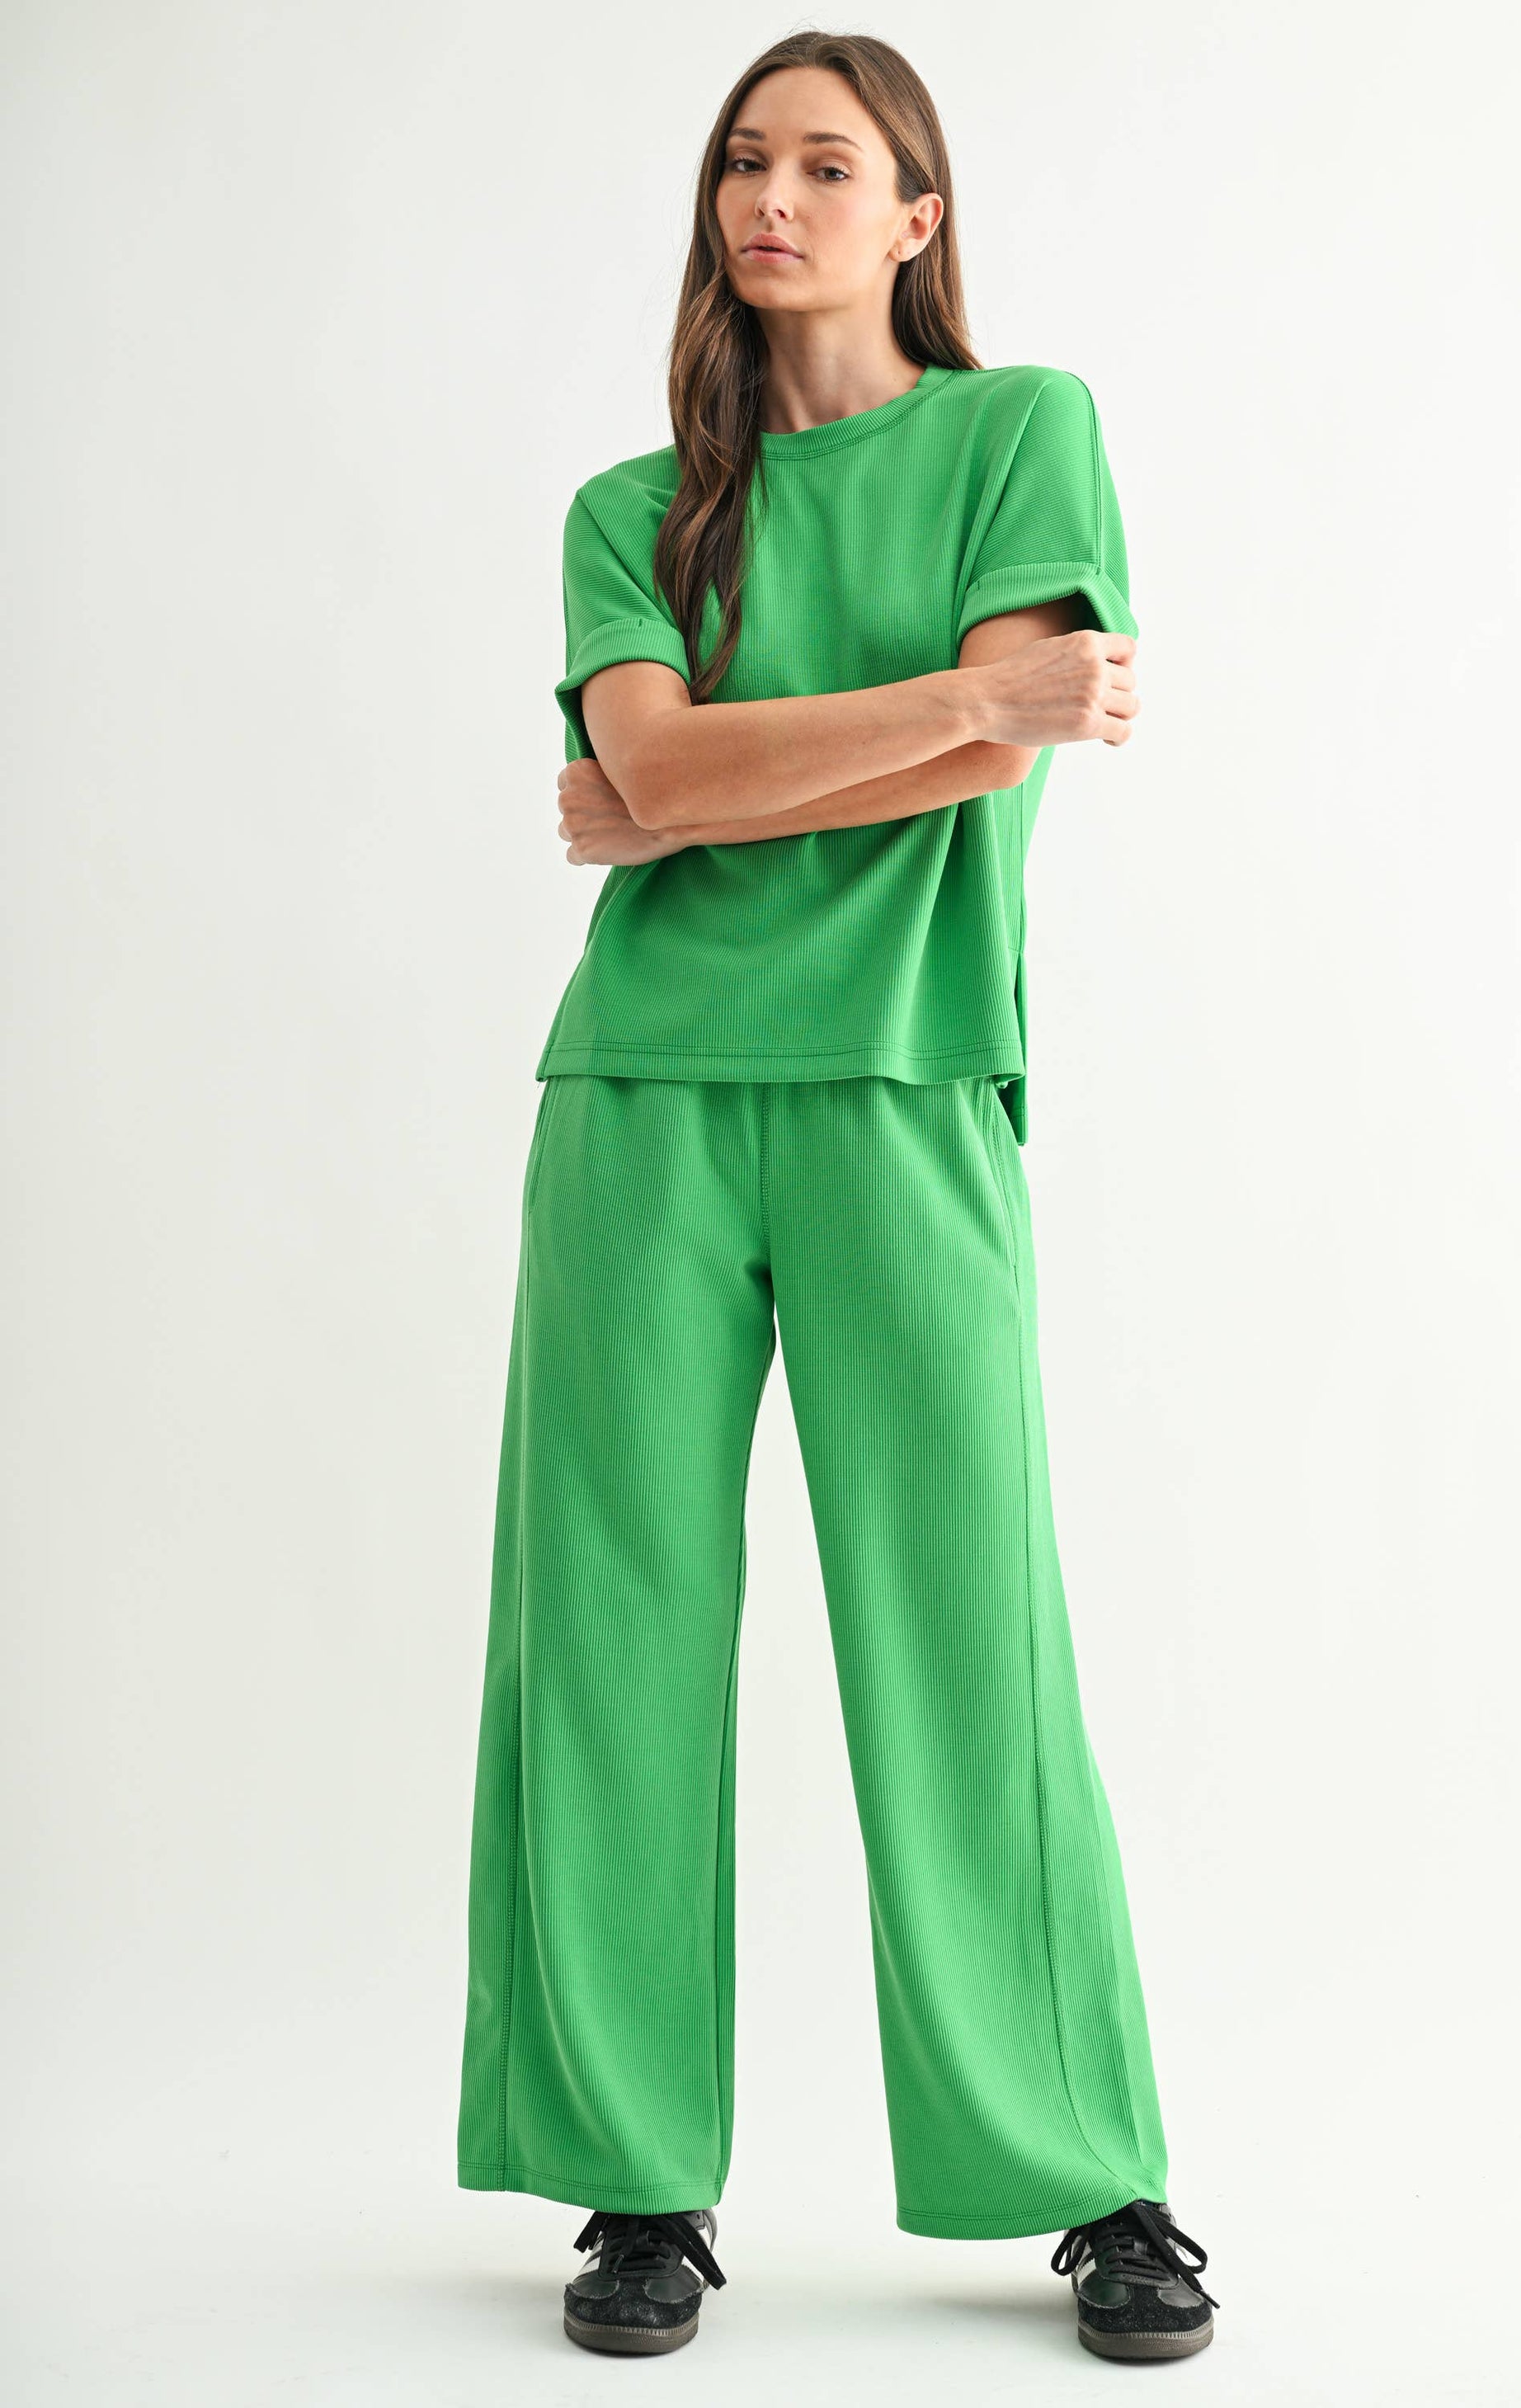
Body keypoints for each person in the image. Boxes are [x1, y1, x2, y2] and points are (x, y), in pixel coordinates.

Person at [456, 29, 1218, 2366]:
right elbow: (744, 753)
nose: (768, 198)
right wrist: (966, 707)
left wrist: (693, 786)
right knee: (607, 1632)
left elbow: (679, 782)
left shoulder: (1019, 433)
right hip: (643, 1099)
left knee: (970, 1631)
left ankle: (1087, 2173)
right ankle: (634, 2188)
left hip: (906, 1082)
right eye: (740, 163)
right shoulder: (632, 511)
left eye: (822, 163)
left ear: (915, 215)